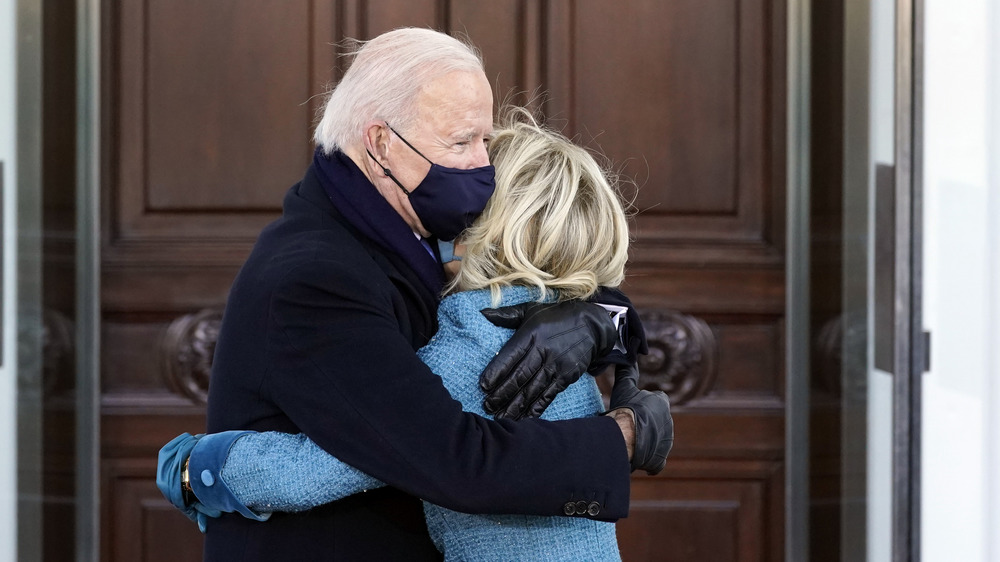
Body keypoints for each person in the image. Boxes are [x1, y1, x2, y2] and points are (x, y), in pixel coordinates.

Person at [158, 28, 674, 561]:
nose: (482, 166)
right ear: (381, 143)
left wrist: (600, 320)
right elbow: (450, 458)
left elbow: (562, 270)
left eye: (486, 142)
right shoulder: (314, 277)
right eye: (460, 142)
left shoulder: (420, 227)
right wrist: (625, 439)